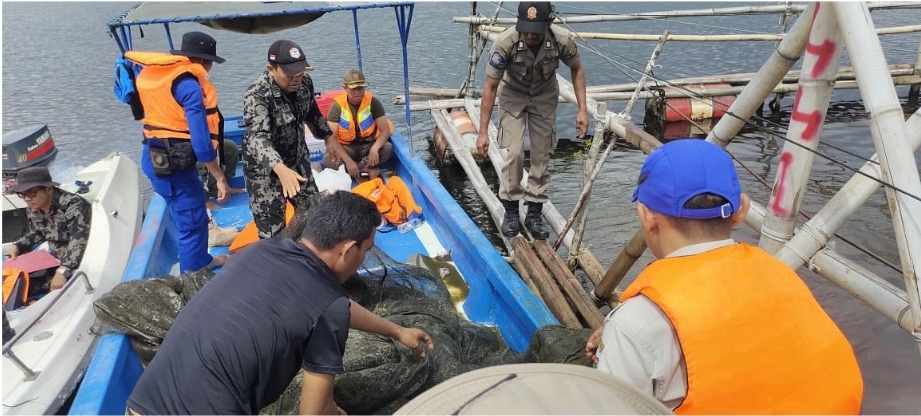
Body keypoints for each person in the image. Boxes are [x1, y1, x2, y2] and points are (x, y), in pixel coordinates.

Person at [584, 139, 863, 414]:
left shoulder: (636, 322)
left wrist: (624, 333)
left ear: (646, 216)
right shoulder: (779, 275)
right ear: (740, 211)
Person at [126, 191, 435, 415]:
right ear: (347, 250)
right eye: (366, 250)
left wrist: (397, 331)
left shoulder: (265, 249)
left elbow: (336, 306)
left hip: (140, 405)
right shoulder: (328, 307)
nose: (364, 257)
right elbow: (312, 413)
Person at [475, 1, 588, 240]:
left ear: (549, 23)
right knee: (514, 152)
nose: (529, 35)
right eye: (525, 29)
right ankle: (511, 208)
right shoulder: (506, 43)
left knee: (542, 152)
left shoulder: (562, 41)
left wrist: (582, 110)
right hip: (513, 95)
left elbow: (577, 69)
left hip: (544, 96)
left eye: (535, 30)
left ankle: (534, 211)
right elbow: (490, 87)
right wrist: (483, 132)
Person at [129, 31, 231, 273]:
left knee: (191, 211)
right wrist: (219, 176)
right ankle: (193, 276)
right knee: (192, 221)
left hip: (153, 157)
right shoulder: (189, 86)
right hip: (174, 167)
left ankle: (202, 260)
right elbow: (202, 142)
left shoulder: (155, 74)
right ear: (204, 62)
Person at [243, 40, 333, 239]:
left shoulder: (304, 83)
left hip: (297, 163)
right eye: (290, 75)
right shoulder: (257, 94)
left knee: (316, 214)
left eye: (300, 74)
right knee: (272, 234)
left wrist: (328, 138)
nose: (297, 80)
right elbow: (258, 136)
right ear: (271, 68)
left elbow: (312, 112)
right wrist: (280, 169)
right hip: (265, 173)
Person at [4, 167, 92, 291]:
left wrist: (63, 271)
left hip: (79, 261)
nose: (27, 199)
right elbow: (39, 233)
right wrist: (18, 246)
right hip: (54, 260)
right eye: (22, 194)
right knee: (15, 282)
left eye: (31, 193)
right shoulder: (33, 208)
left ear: (49, 189)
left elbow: (79, 241)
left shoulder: (74, 206)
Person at [322, 69, 395, 180]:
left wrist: (374, 149)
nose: (358, 92)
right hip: (347, 148)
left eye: (360, 88)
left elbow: (385, 130)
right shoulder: (337, 107)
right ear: (345, 88)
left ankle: (359, 168)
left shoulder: (373, 103)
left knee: (388, 149)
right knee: (328, 160)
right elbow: (331, 138)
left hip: (367, 146)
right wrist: (348, 161)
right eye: (353, 89)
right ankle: (363, 168)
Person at [199, 138, 245, 211]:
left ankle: (222, 188)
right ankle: (204, 200)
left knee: (229, 147)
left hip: (201, 139)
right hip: (182, 147)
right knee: (205, 153)